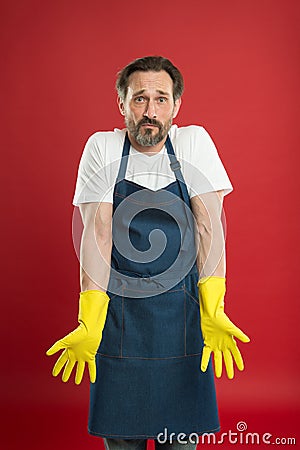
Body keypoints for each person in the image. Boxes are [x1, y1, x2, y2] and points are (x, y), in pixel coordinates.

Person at [46, 56, 250, 449]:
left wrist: (214, 306)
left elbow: (209, 227)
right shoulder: (102, 148)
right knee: (122, 440)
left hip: (184, 318)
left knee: (181, 441)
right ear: (122, 104)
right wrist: (90, 317)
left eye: (161, 98)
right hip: (119, 318)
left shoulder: (193, 143)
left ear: (176, 105)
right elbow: (98, 234)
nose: (150, 111)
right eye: (139, 99)